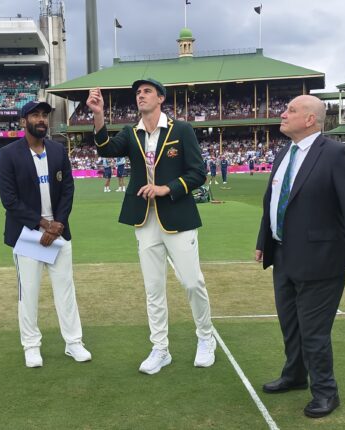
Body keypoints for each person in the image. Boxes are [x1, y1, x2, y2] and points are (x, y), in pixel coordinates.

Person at [255, 95, 345, 418]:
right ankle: (294, 375)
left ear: (310, 120)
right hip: (283, 256)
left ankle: (325, 392)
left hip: (322, 259)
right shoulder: (284, 153)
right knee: (290, 325)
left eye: (290, 110)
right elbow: (274, 201)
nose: (283, 113)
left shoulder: (336, 154)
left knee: (314, 332)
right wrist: (264, 240)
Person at [86, 79, 216, 375]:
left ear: (160, 98)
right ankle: (160, 348)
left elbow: (198, 173)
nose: (140, 96)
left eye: (146, 92)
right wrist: (98, 114)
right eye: (137, 93)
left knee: (192, 282)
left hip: (178, 217)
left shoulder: (180, 130)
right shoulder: (132, 133)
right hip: (145, 220)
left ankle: (206, 338)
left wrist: (166, 189)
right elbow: (105, 148)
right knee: (153, 287)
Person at [0, 100, 91, 368]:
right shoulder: (9, 154)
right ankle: (31, 346)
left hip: (58, 231)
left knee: (66, 290)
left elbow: (68, 190)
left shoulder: (58, 150)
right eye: (35, 115)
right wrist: (43, 225)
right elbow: (9, 200)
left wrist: (58, 224)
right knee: (28, 292)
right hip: (28, 234)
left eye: (44, 115)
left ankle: (73, 343)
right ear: (23, 121)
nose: (41, 119)